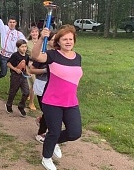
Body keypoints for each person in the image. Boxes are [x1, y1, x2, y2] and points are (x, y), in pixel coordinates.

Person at [31, 25, 83, 170]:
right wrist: (41, 38)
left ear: (74, 41)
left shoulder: (77, 57)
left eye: (70, 39)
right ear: (58, 42)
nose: (68, 42)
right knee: (54, 131)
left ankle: (53, 142)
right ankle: (46, 158)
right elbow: (35, 56)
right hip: (52, 101)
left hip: (71, 101)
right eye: (64, 39)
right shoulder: (53, 55)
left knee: (75, 132)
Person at [0, 1, 26, 87]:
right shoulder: (3, 29)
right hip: (3, 56)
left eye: (13, 22)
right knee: (3, 73)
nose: (12, 24)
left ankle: (14, 87)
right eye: (10, 22)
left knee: (16, 72)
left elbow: (26, 42)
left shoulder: (18, 34)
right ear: (8, 23)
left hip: (14, 57)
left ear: (16, 23)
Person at [29, 32, 55, 144]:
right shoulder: (43, 55)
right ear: (48, 41)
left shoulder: (59, 55)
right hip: (42, 85)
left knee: (50, 111)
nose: (55, 41)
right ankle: (41, 133)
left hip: (53, 86)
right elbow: (31, 70)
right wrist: (45, 71)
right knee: (47, 111)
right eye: (53, 39)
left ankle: (41, 121)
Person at [5, 39, 30, 117]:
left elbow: (26, 65)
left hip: (23, 76)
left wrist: (28, 72)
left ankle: (21, 106)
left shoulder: (26, 56)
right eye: (22, 47)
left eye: (25, 46)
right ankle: (9, 104)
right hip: (15, 76)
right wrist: (15, 69)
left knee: (26, 92)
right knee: (13, 92)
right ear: (18, 47)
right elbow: (8, 64)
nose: (24, 48)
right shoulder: (15, 55)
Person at [26, 26, 40, 110]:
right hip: (31, 66)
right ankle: (31, 103)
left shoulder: (43, 42)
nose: (34, 34)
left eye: (36, 32)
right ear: (30, 33)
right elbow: (24, 55)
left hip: (41, 66)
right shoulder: (27, 44)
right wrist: (28, 63)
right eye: (33, 32)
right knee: (33, 85)